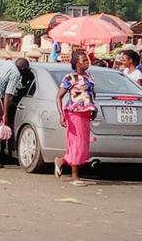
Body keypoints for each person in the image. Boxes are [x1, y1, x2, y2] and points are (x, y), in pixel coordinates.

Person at [54, 50, 96, 186]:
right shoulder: (70, 78)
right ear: (77, 63)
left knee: (84, 144)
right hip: (74, 113)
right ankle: (74, 176)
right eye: (84, 60)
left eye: (87, 60)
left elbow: (91, 95)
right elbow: (59, 97)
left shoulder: (89, 77)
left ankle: (61, 161)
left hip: (86, 113)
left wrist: (93, 108)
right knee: (76, 143)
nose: (87, 62)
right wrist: (61, 114)